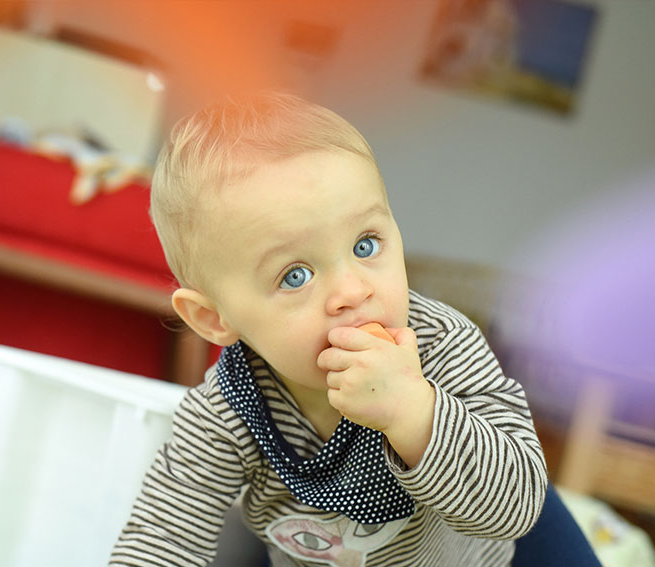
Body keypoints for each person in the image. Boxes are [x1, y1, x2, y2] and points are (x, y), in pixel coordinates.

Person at [110, 91, 563, 566]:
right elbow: (162, 536)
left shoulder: (442, 344)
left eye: (366, 245)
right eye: (295, 276)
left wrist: (414, 411)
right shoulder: (227, 409)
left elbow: (517, 507)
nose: (352, 289)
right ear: (214, 318)